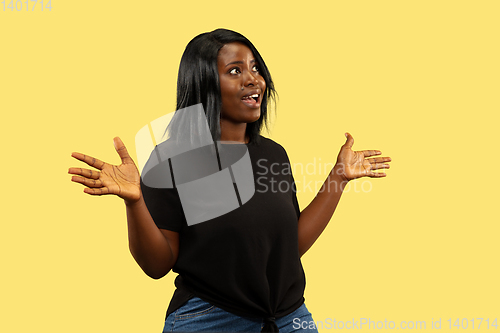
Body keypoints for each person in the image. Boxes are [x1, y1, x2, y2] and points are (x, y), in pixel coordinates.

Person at [68, 29, 391, 333]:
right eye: (236, 71)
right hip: (211, 319)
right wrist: (135, 201)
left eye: (255, 68)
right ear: (205, 84)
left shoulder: (273, 154)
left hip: (290, 318)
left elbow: (288, 249)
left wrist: (338, 178)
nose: (254, 79)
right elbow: (157, 266)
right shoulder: (173, 159)